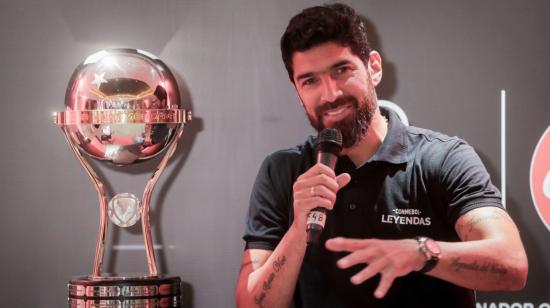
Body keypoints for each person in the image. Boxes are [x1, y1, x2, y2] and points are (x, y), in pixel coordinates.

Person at [235, 3, 528, 307]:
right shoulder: (282, 170)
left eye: (341, 70)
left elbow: (511, 264)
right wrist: (298, 229)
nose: (330, 94)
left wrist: (419, 252)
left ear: (373, 67)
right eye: (310, 81)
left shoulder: (443, 158)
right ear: (297, 90)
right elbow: (251, 304)